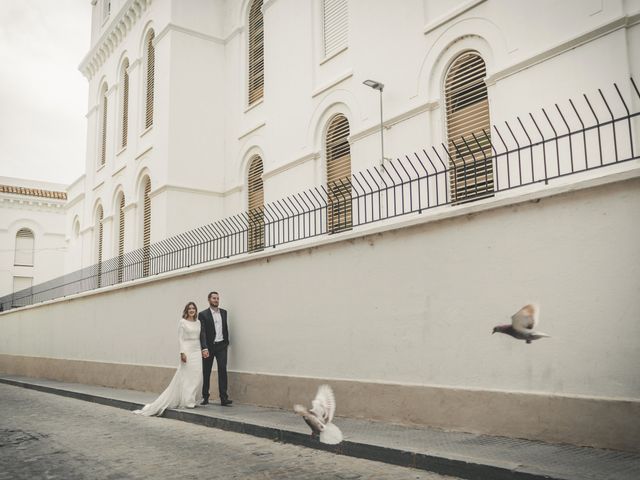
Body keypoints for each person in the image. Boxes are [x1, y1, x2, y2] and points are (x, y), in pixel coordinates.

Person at [133, 302, 209, 416]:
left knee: (197, 376)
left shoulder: (198, 322)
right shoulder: (182, 322)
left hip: (197, 351)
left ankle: (192, 398)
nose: (192, 310)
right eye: (189, 308)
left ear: (196, 310)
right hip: (187, 350)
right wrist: (182, 352)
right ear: (186, 310)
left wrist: (203, 349)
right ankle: (188, 401)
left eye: (193, 308)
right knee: (187, 376)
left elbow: (201, 336)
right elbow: (181, 339)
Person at [198, 291, 232, 406]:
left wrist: (226, 342)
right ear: (209, 300)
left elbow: (224, 328)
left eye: (217, 298)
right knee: (206, 372)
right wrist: (204, 348)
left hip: (221, 346)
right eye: (214, 298)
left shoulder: (224, 312)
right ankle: (205, 397)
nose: (216, 300)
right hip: (209, 347)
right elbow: (202, 332)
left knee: (222, 370)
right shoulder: (203, 314)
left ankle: (224, 398)